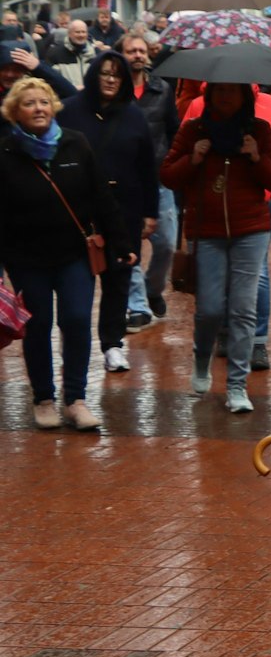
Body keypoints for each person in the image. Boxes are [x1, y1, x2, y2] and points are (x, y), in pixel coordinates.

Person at [0, 77, 132, 431]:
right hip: (26, 259)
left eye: (44, 102)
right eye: (29, 103)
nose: (38, 108)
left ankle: (76, 399)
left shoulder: (75, 143)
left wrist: (121, 243)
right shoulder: (6, 152)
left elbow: (101, 196)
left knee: (76, 319)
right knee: (38, 325)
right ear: (15, 111)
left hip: (74, 254)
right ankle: (44, 398)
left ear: (53, 107)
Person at [160, 81, 271, 413]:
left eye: (233, 91)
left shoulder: (258, 129)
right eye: (220, 90)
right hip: (206, 231)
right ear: (210, 95)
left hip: (251, 230)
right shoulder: (193, 130)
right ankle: (201, 356)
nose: (226, 96)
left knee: (243, 309)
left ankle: (236, 385)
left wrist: (256, 156)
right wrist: (193, 158)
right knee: (210, 309)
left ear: (244, 96)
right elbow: (168, 175)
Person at [59, 51, 157, 374]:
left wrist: (150, 211)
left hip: (124, 210)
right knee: (76, 280)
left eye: (117, 75)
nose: (111, 80)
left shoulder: (134, 115)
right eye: (105, 73)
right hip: (79, 211)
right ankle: (74, 343)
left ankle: (113, 343)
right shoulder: (70, 110)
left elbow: (147, 167)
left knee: (119, 278)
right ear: (93, 75)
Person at [120, 33, 178, 326]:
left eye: (141, 50)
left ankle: (152, 289)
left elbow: (173, 129)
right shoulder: (114, 91)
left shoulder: (162, 89)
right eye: (131, 51)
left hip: (158, 179)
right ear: (122, 55)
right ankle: (137, 306)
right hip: (123, 182)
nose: (137, 55)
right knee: (128, 245)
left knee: (167, 243)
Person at [41, 19, 97, 88]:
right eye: (77, 32)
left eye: (83, 32)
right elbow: (50, 79)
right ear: (69, 34)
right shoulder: (55, 53)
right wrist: (72, 89)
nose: (81, 35)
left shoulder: (95, 54)